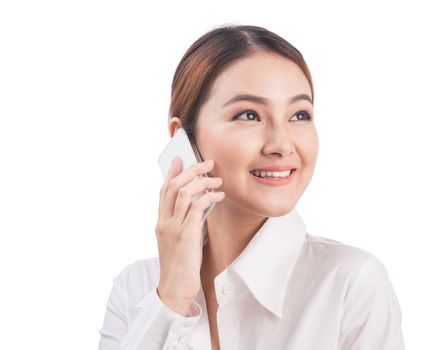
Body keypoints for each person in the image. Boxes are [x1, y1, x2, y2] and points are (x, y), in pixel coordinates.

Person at [98, 24, 405, 350]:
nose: (282, 144)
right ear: (181, 138)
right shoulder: (136, 288)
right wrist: (171, 298)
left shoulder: (351, 285)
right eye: (249, 115)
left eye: (299, 115)